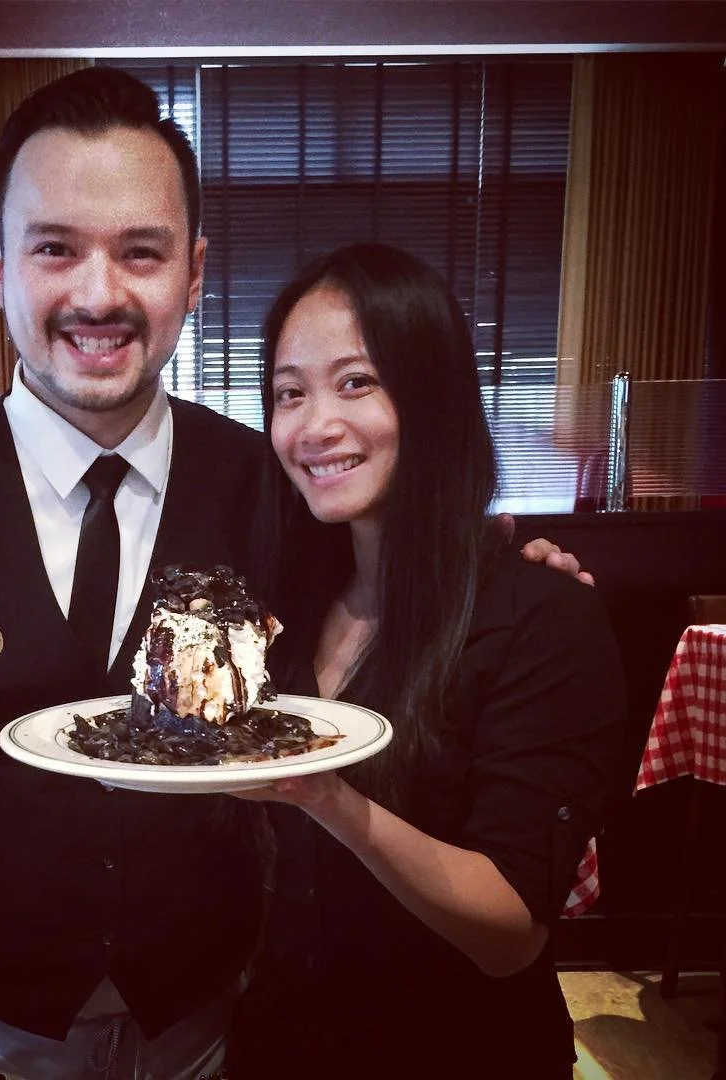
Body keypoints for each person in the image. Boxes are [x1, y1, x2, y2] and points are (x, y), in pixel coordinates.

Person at [0, 69, 589, 1080]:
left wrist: (511, 565)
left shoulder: (272, 483)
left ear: (194, 277)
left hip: (211, 1040)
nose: (99, 293)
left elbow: (401, 572)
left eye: (141, 252)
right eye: (55, 248)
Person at [225, 243, 625, 1078]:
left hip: (459, 1050)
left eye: (356, 381)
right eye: (288, 393)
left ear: (434, 397)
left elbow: (511, 934)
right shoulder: (286, 614)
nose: (315, 424)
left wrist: (325, 796)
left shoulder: (542, 616)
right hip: (281, 1046)